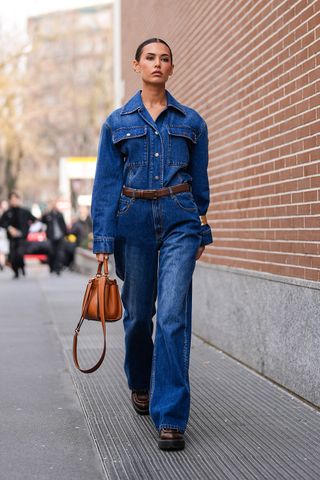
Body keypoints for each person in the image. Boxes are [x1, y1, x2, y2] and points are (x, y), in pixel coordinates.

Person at [91, 38, 213, 451]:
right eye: (150, 58)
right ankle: (140, 380)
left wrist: (202, 229)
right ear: (136, 65)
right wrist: (104, 239)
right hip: (134, 223)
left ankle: (171, 416)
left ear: (171, 68)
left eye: (164, 58)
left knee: (173, 316)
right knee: (139, 314)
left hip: (180, 221)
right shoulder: (117, 122)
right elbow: (106, 186)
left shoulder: (192, 121)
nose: (157, 64)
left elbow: (201, 184)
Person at [0, 191, 36, 278]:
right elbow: (2, 223)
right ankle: (16, 271)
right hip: (12, 238)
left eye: (15, 199)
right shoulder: (8, 212)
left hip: (21, 237)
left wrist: (26, 229)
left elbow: (34, 220)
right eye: (12, 199)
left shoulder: (24, 211)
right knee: (12, 256)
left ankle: (22, 267)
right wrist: (9, 228)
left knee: (20, 254)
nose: (14, 201)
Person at [41, 199, 67, 275]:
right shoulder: (48, 215)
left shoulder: (59, 214)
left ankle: (58, 268)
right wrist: (46, 212)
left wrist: (65, 234)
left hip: (60, 237)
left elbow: (63, 225)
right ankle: (51, 267)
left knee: (59, 253)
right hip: (51, 237)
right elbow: (42, 221)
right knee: (51, 252)